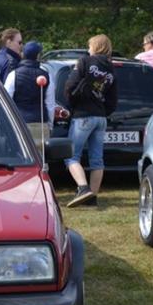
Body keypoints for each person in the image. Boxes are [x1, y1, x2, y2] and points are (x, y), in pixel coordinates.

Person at [63, 34, 117, 208]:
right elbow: (113, 98)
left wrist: (72, 105)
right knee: (97, 160)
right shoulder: (111, 68)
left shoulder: (85, 61)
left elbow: (70, 86)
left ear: (95, 46)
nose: (88, 49)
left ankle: (83, 188)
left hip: (83, 115)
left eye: (89, 45)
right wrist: (104, 112)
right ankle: (92, 198)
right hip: (101, 117)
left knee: (71, 156)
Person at [5, 41, 49, 141]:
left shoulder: (13, 75)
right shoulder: (47, 75)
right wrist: (49, 124)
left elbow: (7, 100)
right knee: (39, 155)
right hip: (39, 121)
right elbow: (49, 103)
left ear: (23, 54)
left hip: (18, 122)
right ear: (38, 55)